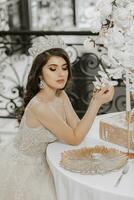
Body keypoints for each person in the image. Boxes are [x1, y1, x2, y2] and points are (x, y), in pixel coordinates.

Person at [0, 36, 114, 200]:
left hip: (47, 158)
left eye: (64, 68)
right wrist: (96, 103)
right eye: (52, 69)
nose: (61, 74)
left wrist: (96, 100)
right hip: (28, 169)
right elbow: (75, 139)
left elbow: (77, 127)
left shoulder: (61, 95)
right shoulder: (41, 107)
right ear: (39, 73)